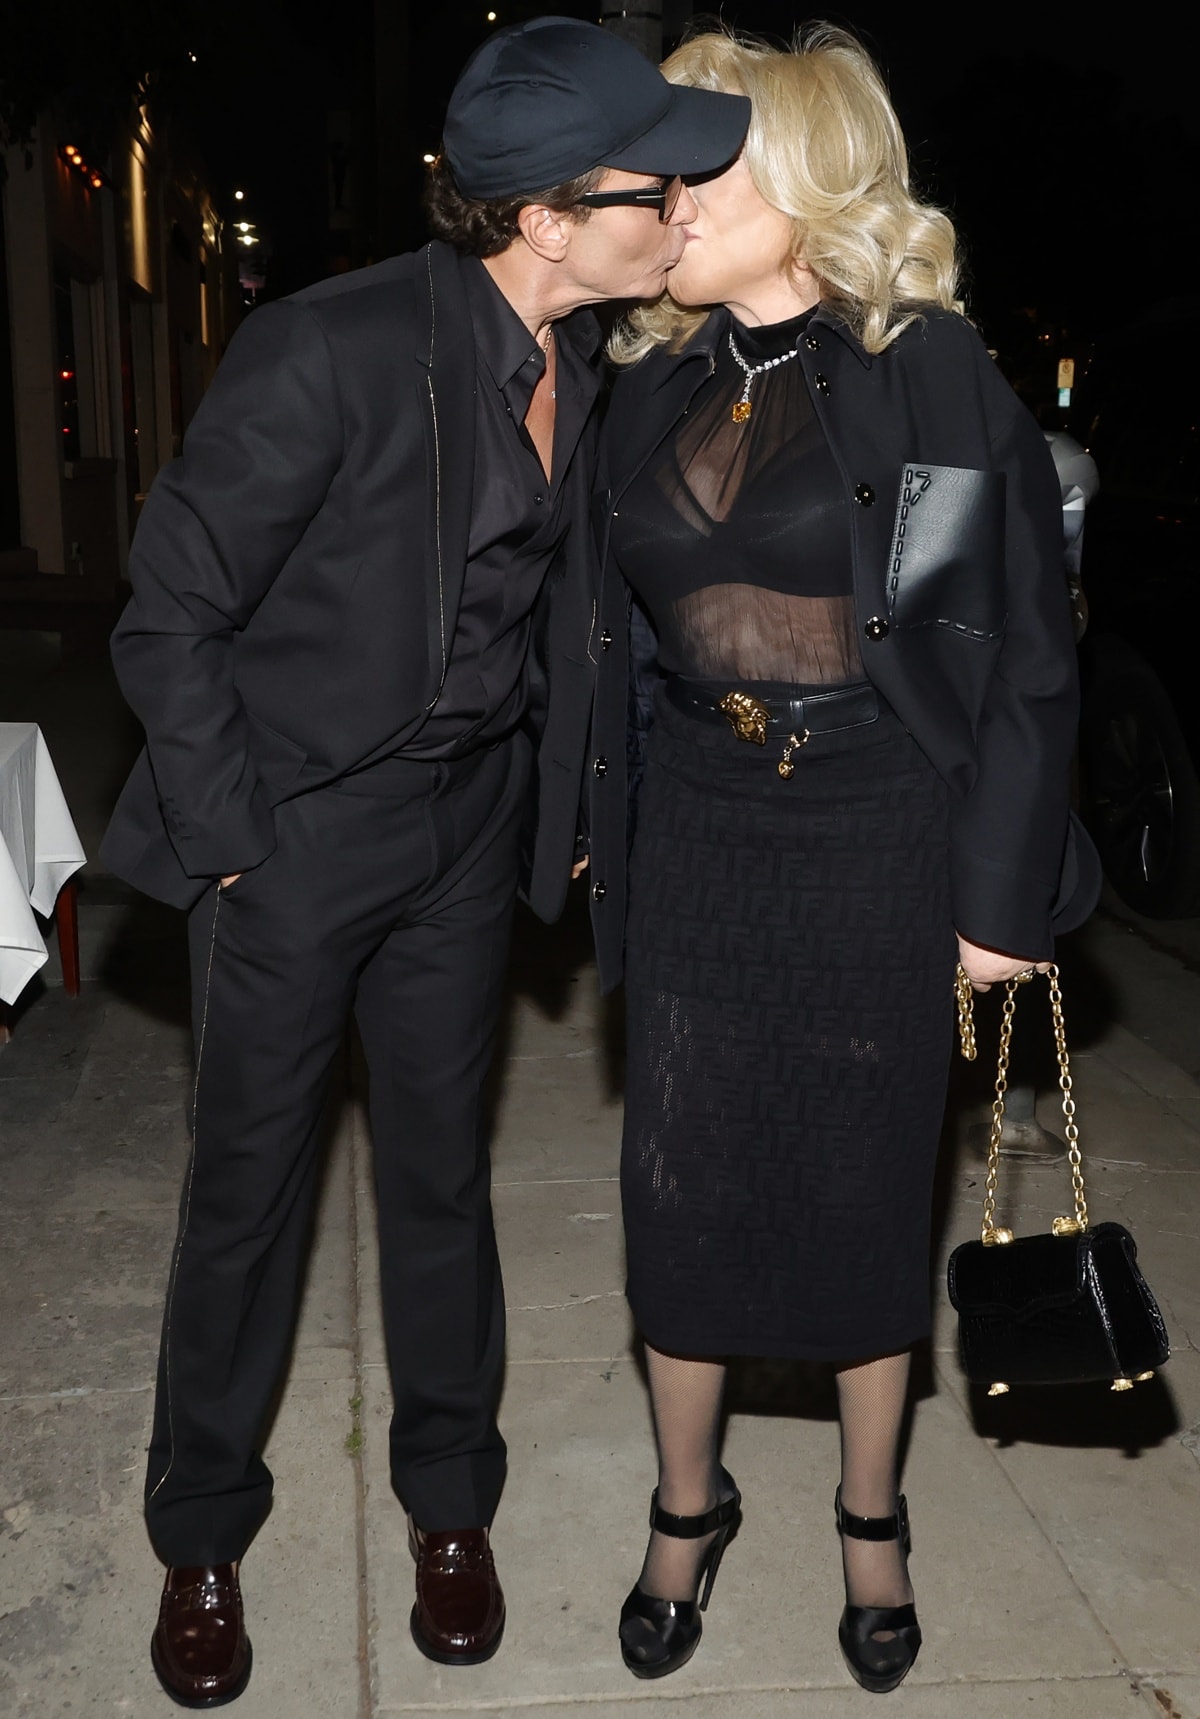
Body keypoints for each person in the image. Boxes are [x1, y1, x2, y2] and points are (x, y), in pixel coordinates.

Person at [101, 18, 748, 1708]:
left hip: (466, 839)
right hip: (301, 837)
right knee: (249, 1199)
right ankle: (203, 1533)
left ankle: (449, 1507)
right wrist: (239, 843)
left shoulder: (593, 371)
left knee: (439, 1182)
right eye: (651, 185)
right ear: (544, 218)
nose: (680, 205)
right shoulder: (332, 349)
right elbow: (168, 612)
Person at [585, 24, 1099, 1694]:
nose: (673, 200)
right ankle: (687, 1507)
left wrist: (996, 903)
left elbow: (1010, 648)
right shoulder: (642, 375)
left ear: (803, 183)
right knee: (677, 1195)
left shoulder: (926, 377)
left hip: (878, 834)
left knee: (865, 1198)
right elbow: (592, 628)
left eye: (706, 169)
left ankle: (870, 1522)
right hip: (699, 836)